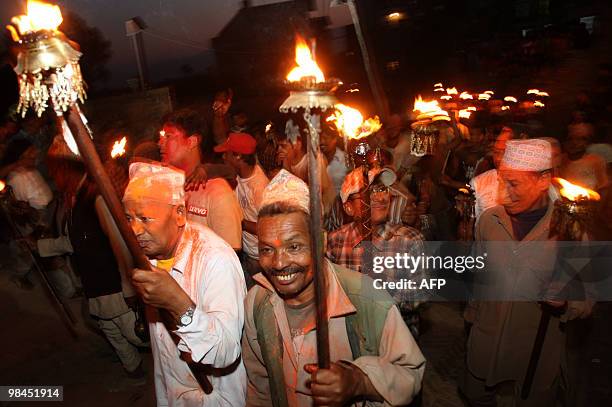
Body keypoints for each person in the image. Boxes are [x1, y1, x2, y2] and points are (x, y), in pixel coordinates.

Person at [242, 169, 426, 407]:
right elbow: (260, 387)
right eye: (267, 249)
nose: (279, 263)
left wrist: (360, 381)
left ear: (321, 242)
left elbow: (410, 373)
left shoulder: (367, 298)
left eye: (294, 246)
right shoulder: (257, 302)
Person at [462, 139, 592, 407]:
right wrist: (472, 319)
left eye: (515, 184)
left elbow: (589, 296)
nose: (504, 194)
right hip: (485, 342)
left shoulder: (570, 232)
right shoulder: (490, 221)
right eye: (502, 182)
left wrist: (567, 301)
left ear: (544, 180)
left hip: (535, 350)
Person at [123, 161, 247, 406]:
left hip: (213, 398)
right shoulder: (147, 258)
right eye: (129, 218)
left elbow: (225, 351)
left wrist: (177, 302)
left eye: (145, 219)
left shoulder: (214, 259)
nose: (135, 230)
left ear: (179, 214)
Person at [327, 166, 427, 336]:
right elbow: (328, 293)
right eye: (369, 192)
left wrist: (379, 295)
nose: (380, 197)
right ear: (349, 208)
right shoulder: (335, 241)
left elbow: (421, 297)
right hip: (351, 336)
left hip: (396, 336)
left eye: (382, 189)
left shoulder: (408, 240)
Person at [159, 109, 243, 251]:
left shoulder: (218, 194)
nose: (160, 143)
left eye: (168, 136)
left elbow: (230, 256)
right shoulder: (170, 189)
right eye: (161, 137)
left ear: (191, 141)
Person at [215, 132, 269, 287]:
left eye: (227, 154)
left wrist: (239, 222)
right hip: (246, 252)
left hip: (258, 258)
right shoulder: (239, 176)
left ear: (238, 156)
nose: (223, 157)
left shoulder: (260, 188)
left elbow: (266, 228)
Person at [276, 122, 336, 214]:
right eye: (278, 146)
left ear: (297, 144)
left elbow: (321, 188)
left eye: (283, 146)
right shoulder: (287, 160)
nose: (279, 150)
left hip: (326, 213)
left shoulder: (314, 159)